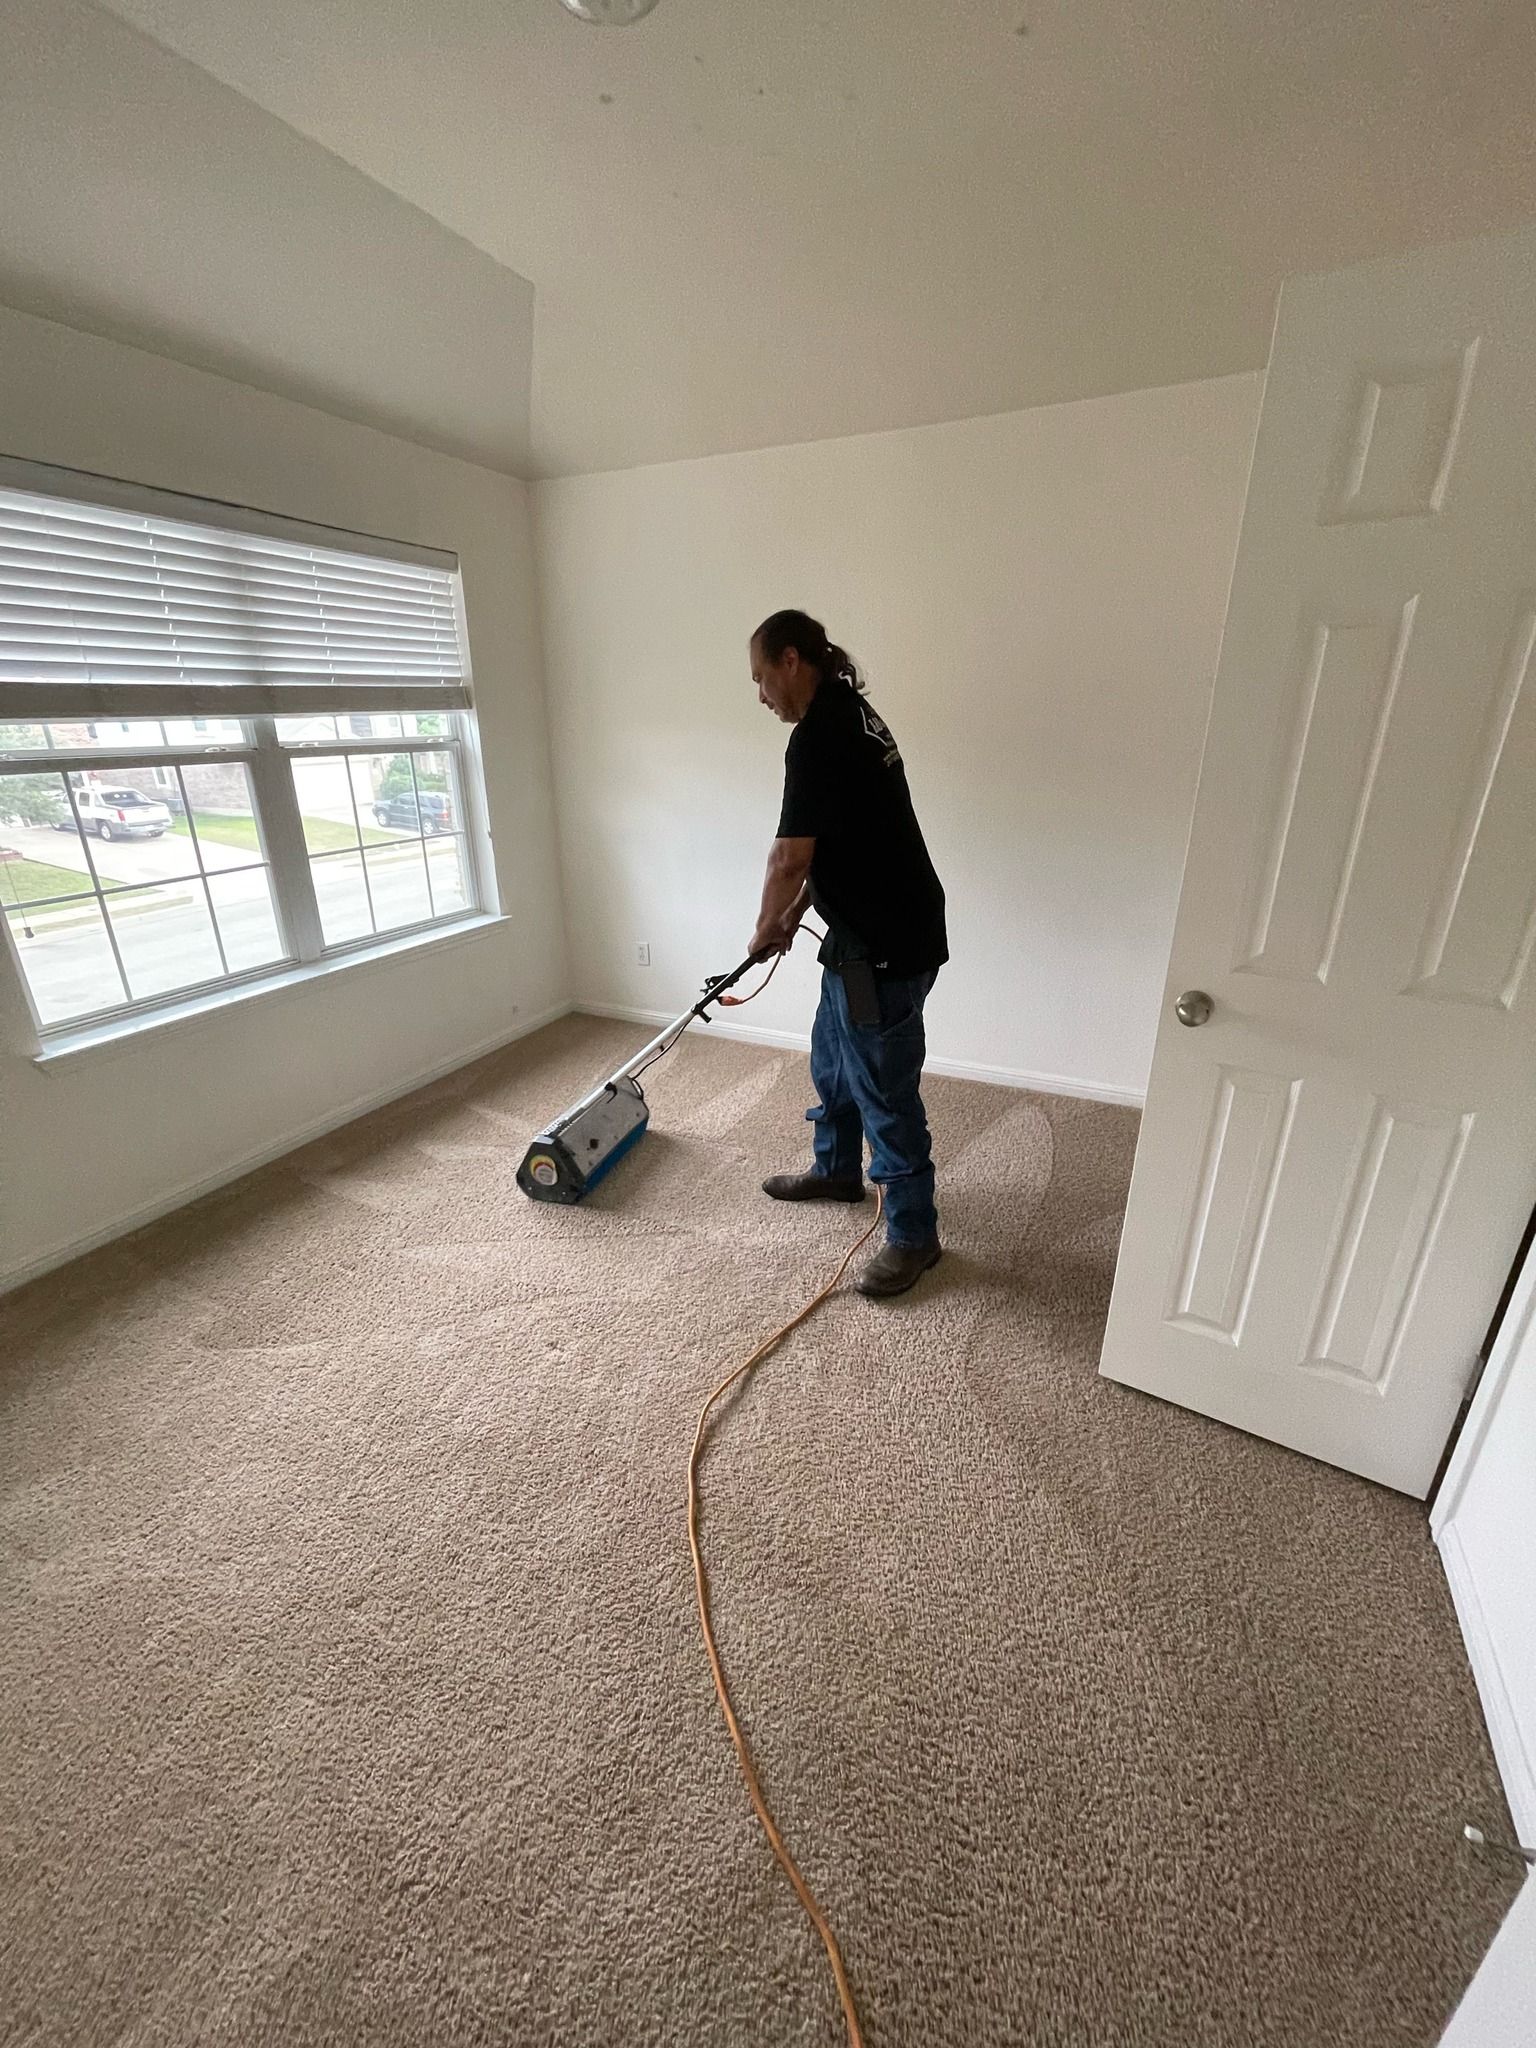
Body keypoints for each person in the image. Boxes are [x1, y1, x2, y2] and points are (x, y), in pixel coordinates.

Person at [747, 609, 948, 1298]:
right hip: (863, 930)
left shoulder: (819, 736)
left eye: (761, 677)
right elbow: (837, 845)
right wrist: (797, 915)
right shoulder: (851, 714)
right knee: (834, 1058)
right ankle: (836, 1171)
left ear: (791, 660)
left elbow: (789, 856)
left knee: (884, 1086)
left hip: (885, 944)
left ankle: (914, 1235)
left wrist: (764, 924)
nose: (761, 694)